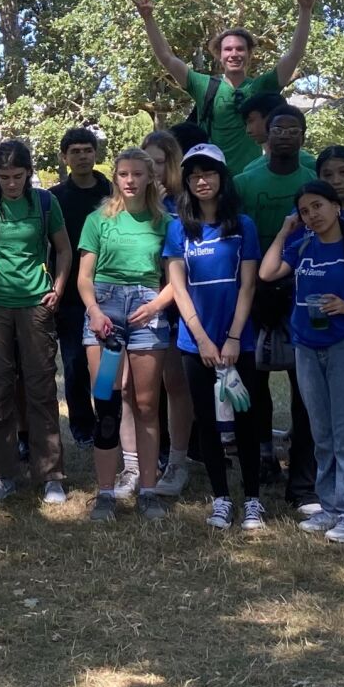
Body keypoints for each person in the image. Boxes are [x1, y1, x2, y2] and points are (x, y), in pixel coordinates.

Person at [260, 182, 344, 543]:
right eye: (304, 211)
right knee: (322, 434)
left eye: (318, 206)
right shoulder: (302, 245)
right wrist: (286, 230)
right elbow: (267, 273)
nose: (312, 215)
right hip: (306, 348)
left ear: (337, 207)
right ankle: (331, 507)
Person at [0, 140, 72, 505]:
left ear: (29, 173)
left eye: (18, 176)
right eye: (4, 176)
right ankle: (3, 474)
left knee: (41, 389)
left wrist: (57, 288)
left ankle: (51, 474)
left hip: (35, 303)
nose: (11, 183)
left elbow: (64, 248)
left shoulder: (44, 202)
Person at [163, 144, 265, 530]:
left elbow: (248, 285)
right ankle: (221, 497)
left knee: (246, 420)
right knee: (206, 421)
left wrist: (234, 337)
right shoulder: (177, 228)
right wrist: (203, 340)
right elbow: (179, 286)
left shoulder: (243, 225)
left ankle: (253, 499)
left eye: (209, 173)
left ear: (223, 178)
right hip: (195, 343)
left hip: (239, 341)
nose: (202, 181)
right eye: (193, 175)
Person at [80, 148, 174, 522]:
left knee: (148, 405)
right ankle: (105, 493)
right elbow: (84, 277)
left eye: (137, 174)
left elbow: (175, 280)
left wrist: (155, 307)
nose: (130, 181)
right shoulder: (98, 219)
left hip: (147, 309)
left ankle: (148, 491)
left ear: (150, 177)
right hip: (105, 308)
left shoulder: (165, 221)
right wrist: (94, 311)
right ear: (115, 177)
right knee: (107, 404)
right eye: (123, 174)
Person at [135, 0, 317, 174]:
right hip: (212, 180)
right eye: (228, 49)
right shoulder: (204, 86)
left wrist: (305, 10)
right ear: (219, 55)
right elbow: (167, 58)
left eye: (240, 49)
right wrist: (148, 19)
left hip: (250, 178)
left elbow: (294, 54)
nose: (234, 54)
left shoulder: (261, 87)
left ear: (249, 54)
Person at [234, 104, 318, 513]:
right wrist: (257, 288)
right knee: (255, 379)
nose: (285, 135)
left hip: (303, 290)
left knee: (303, 382)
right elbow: (241, 240)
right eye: (278, 129)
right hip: (257, 289)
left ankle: (304, 470)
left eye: (293, 129)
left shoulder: (314, 179)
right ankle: (263, 453)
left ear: (303, 134)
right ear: (266, 135)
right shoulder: (247, 182)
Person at [50, 127, 112, 447]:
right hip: (72, 297)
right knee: (74, 365)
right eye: (75, 151)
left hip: (111, 292)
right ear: (65, 157)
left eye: (87, 150)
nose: (82, 156)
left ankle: (110, 420)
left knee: (109, 364)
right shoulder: (55, 198)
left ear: (95, 153)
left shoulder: (113, 194)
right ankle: (83, 427)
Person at [143, 129, 194, 497]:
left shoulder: (183, 204)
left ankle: (178, 460)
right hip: (136, 303)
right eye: (147, 164)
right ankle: (141, 461)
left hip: (177, 304)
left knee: (176, 383)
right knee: (142, 390)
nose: (153, 171)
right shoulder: (129, 204)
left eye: (159, 163)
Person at [238, 94, 317, 176]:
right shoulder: (250, 171)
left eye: (251, 121)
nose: (248, 130)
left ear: (272, 117)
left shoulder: (312, 166)